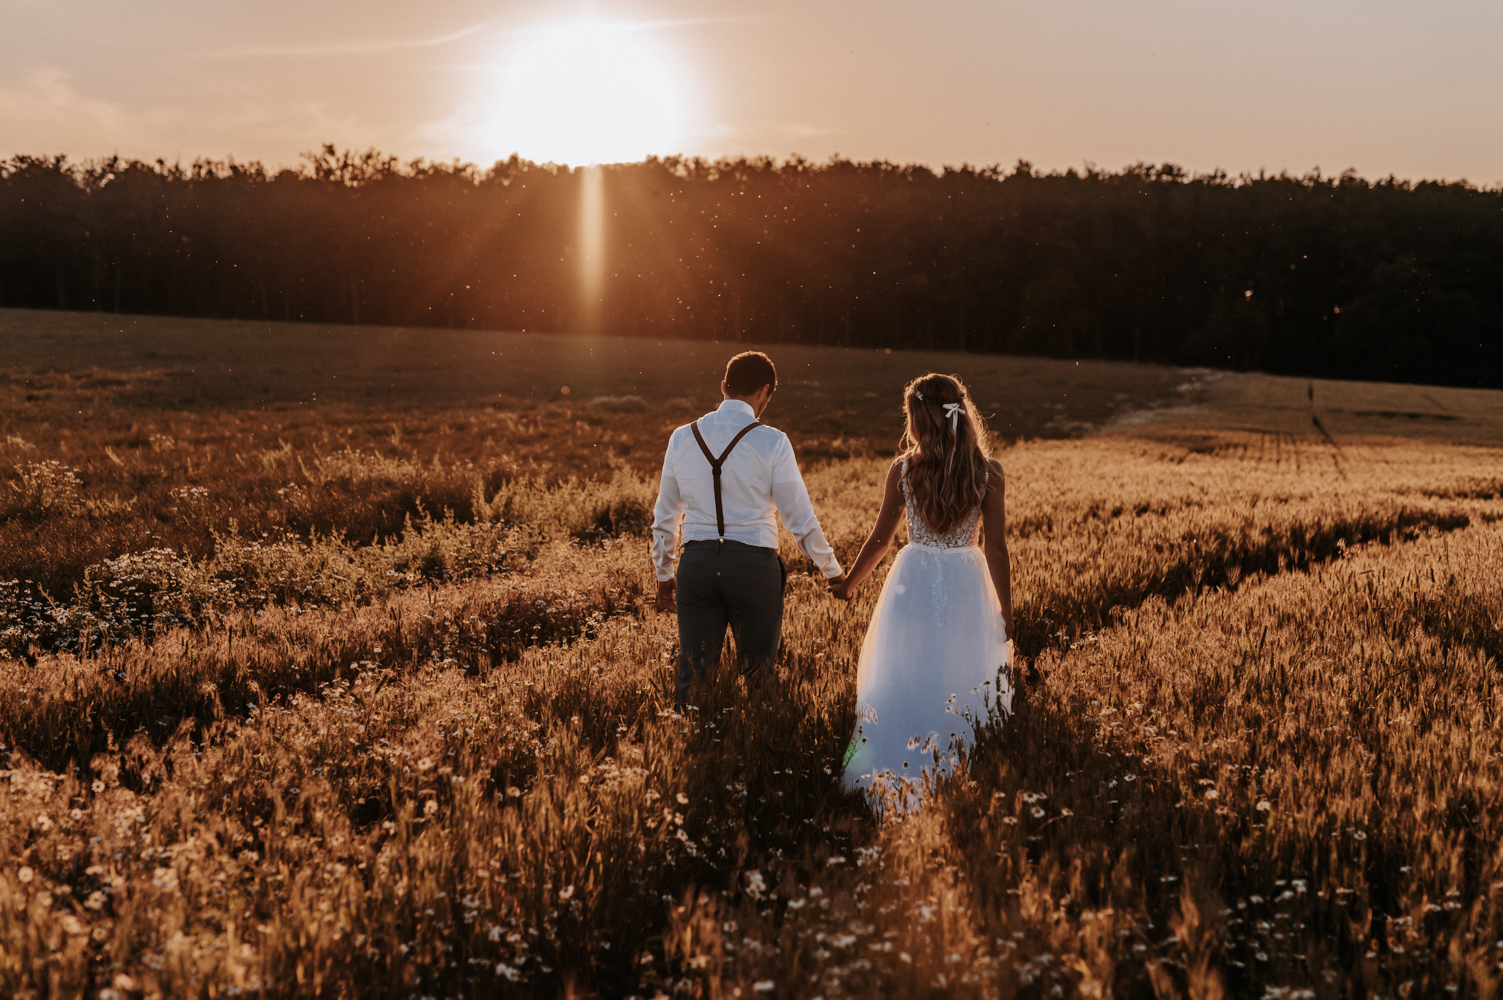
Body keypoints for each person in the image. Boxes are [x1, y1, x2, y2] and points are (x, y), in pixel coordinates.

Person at [831, 372, 1014, 811]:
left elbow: (880, 539)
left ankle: (888, 770)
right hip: (967, 581)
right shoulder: (987, 471)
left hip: (910, 580)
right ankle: (959, 772)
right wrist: (1006, 613)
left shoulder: (905, 468)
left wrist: (850, 583)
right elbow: (997, 548)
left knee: (903, 670)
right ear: (960, 412)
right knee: (961, 673)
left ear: (917, 418)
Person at [652, 351, 846, 708]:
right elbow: (799, 519)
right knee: (758, 675)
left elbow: (664, 517)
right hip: (754, 568)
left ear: (723, 386)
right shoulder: (773, 441)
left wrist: (664, 573)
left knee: (693, 675)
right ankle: (753, 751)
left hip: (696, 565)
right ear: (765, 392)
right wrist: (833, 573)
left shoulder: (681, 437)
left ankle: (691, 750)